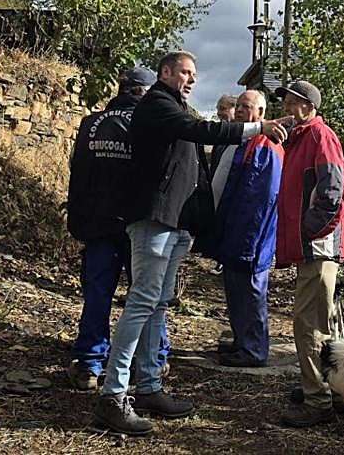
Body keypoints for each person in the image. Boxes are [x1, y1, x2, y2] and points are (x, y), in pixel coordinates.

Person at [93, 51, 291, 436]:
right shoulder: (157, 105)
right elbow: (205, 133)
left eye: (194, 73)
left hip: (175, 225)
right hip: (155, 222)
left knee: (157, 304)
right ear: (164, 73)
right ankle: (113, 395)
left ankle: (148, 386)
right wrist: (258, 127)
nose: (192, 79)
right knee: (141, 303)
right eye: (185, 72)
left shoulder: (174, 106)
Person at [64, 67, 169, 390]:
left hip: (96, 223)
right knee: (147, 296)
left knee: (97, 293)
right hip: (137, 224)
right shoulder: (149, 124)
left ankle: (89, 364)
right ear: (144, 92)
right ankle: (153, 358)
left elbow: (77, 170)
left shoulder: (89, 124)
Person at [273, 79, 344, 428]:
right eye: (286, 102)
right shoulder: (300, 139)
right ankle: (325, 388)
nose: (287, 109)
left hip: (318, 245)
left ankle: (318, 399)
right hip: (313, 245)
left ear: (309, 107)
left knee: (308, 323)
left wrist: (310, 230)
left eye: (292, 103)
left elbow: (333, 191)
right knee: (322, 322)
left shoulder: (320, 136)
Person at [213, 89, 283, 368]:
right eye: (238, 106)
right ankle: (242, 341)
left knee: (251, 291)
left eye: (246, 106)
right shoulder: (243, 140)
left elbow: (263, 197)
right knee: (236, 289)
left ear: (261, 113)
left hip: (251, 235)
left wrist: (250, 239)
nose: (239, 110)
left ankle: (253, 350)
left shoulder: (266, 144)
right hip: (234, 231)